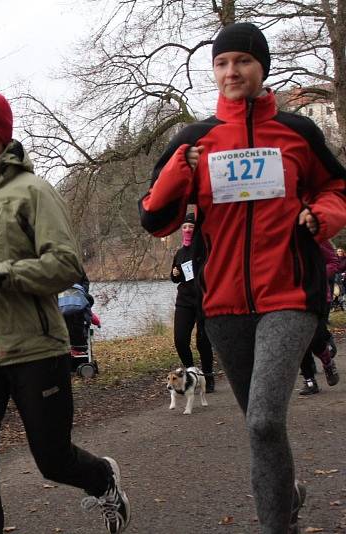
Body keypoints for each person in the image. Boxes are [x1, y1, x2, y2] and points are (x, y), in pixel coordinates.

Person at [139, 23, 346, 534]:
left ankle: (278, 525)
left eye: (243, 62)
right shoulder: (195, 139)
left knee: (262, 420)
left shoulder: (298, 133)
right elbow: (153, 217)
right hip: (223, 304)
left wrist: (321, 215)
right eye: (222, 63)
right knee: (263, 430)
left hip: (291, 295)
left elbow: (337, 186)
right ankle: (286, 494)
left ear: (262, 68)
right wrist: (177, 173)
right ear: (214, 71)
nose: (232, 71)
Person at [0, 90, 130, 534]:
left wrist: (1, 275)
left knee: (52, 459)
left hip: (33, 348)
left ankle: (102, 479)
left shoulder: (33, 191)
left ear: (1, 134)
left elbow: (66, 265)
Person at [169, 211, 215, 392]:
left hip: (203, 299)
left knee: (202, 341)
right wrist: (175, 274)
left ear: (197, 230)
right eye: (185, 227)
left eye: (191, 227)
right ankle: (191, 372)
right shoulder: (180, 253)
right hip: (184, 301)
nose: (187, 230)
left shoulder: (205, 249)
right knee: (180, 340)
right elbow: (175, 276)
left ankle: (208, 377)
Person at [299, 240, 340, 395]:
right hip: (290, 299)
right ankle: (309, 381)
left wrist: (319, 274)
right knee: (298, 341)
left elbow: (332, 261)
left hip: (318, 296)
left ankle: (328, 362)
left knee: (315, 337)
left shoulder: (316, 235)